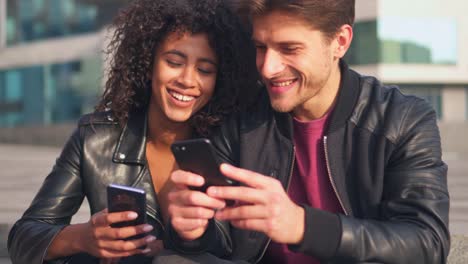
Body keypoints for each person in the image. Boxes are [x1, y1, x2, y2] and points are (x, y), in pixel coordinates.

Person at [165, 0, 451, 263]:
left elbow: (427, 243)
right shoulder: (240, 117)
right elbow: (220, 240)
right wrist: (194, 231)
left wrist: (303, 226)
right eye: (261, 47)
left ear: (340, 42)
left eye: (289, 49)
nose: (267, 68)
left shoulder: (402, 119)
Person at [7, 0, 257, 263]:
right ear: (148, 63)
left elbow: (233, 244)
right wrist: (83, 237)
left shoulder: (232, 139)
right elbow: (24, 238)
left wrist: (186, 238)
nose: (187, 80)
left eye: (205, 70)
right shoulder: (95, 137)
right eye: (174, 62)